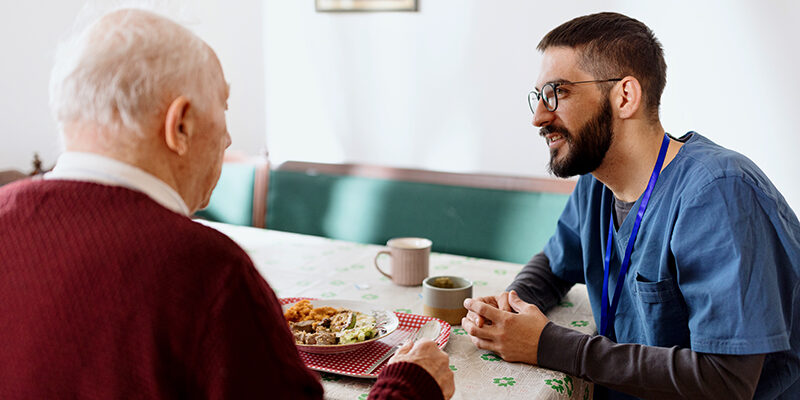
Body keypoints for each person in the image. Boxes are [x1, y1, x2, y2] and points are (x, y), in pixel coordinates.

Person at [0, 8, 454, 400]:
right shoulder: (207, 270)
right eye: (224, 105)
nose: (230, 137)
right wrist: (411, 385)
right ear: (179, 125)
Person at [462, 11, 800, 400]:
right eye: (538, 96)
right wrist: (513, 305)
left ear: (625, 96)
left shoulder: (718, 192)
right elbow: (555, 264)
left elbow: (726, 381)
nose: (539, 116)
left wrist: (548, 345)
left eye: (558, 92)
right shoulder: (597, 180)